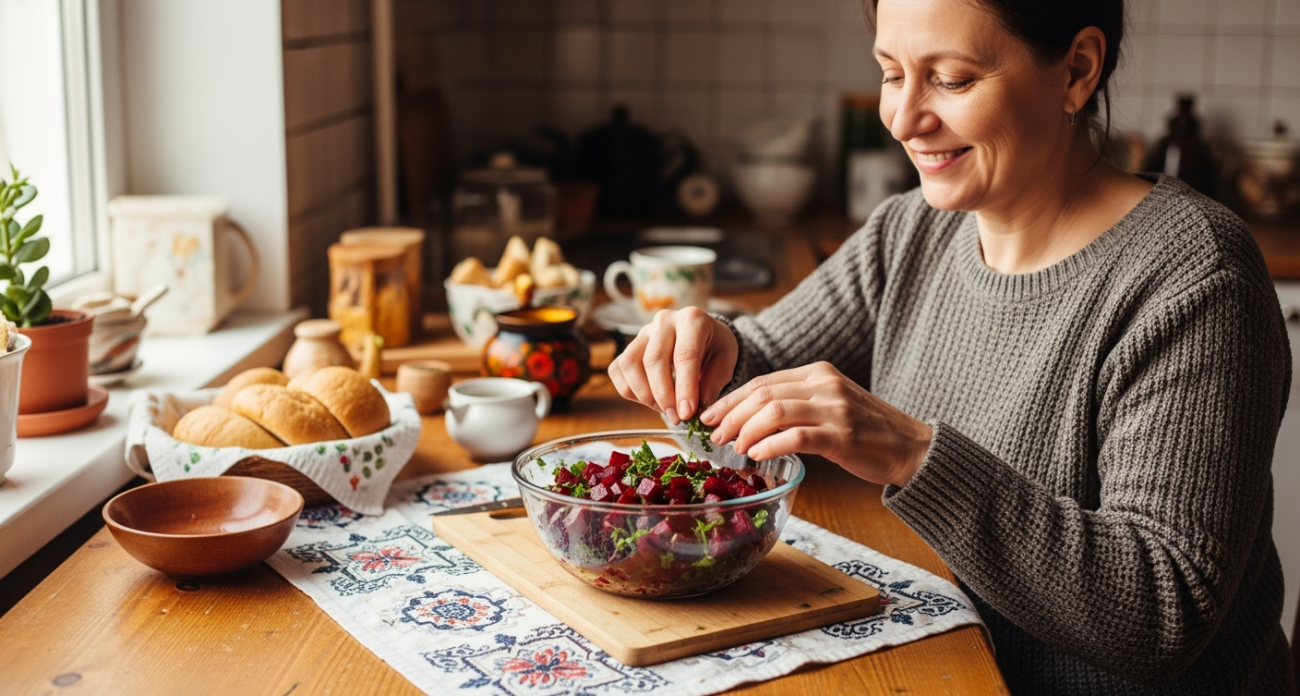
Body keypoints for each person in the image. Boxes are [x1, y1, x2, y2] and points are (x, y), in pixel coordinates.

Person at [607, 0, 1295, 693]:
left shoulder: (1196, 277)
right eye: (890, 73)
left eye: (953, 79)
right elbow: (766, 361)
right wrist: (712, 349)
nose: (905, 120)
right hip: (939, 668)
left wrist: (912, 455)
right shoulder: (908, 233)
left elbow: (1161, 612)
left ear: (1077, 71)